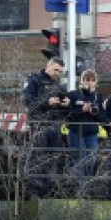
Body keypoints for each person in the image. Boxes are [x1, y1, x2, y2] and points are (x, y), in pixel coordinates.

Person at [23, 57, 69, 198]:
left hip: (55, 125)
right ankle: (34, 191)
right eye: (56, 70)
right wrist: (46, 102)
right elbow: (28, 102)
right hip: (39, 124)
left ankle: (48, 191)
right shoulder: (34, 80)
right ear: (48, 66)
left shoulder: (59, 86)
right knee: (37, 157)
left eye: (60, 72)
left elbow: (65, 110)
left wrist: (66, 104)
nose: (57, 74)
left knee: (53, 159)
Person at [66, 70, 103, 163]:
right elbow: (68, 116)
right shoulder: (73, 95)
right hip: (76, 132)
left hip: (91, 132)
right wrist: (81, 110)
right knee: (79, 161)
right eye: (87, 80)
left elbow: (102, 116)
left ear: (96, 82)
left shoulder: (97, 97)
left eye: (93, 80)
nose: (90, 83)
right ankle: (78, 178)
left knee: (91, 161)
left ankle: (89, 178)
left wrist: (95, 113)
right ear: (82, 81)